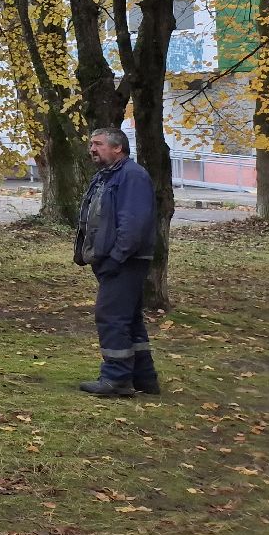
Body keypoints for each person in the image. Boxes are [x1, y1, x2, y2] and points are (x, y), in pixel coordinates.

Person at [74, 127, 162, 397]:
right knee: (129, 319)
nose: (92, 149)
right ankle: (144, 379)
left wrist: (116, 257)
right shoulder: (108, 176)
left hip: (126, 260)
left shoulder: (132, 176)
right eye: (91, 144)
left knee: (111, 316)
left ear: (118, 148)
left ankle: (116, 379)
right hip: (115, 259)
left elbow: (133, 223)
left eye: (98, 144)